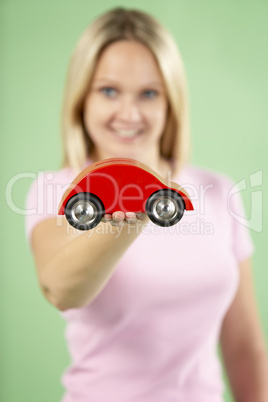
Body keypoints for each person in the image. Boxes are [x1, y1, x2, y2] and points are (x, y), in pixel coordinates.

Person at [25, 7, 268, 402]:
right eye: (108, 91)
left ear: (171, 102)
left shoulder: (217, 191)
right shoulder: (56, 189)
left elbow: (244, 346)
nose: (129, 113)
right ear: (81, 99)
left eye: (149, 93)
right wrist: (130, 216)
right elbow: (60, 288)